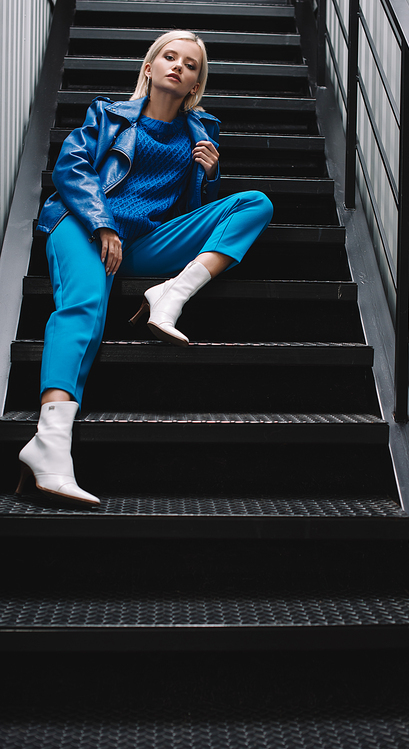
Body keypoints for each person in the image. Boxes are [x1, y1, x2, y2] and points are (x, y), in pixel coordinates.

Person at [15, 30, 273, 507]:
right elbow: (71, 169)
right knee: (85, 306)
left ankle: (173, 293)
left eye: (190, 64)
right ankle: (49, 443)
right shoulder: (109, 114)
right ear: (150, 68)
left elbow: (190, 212)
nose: (178, 66)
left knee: (255, 203)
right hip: (83, 226)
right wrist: (102, 224)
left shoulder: (202, 133)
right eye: (169, 57)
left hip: (147, 241)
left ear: (196, 83)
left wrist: (210, 177)